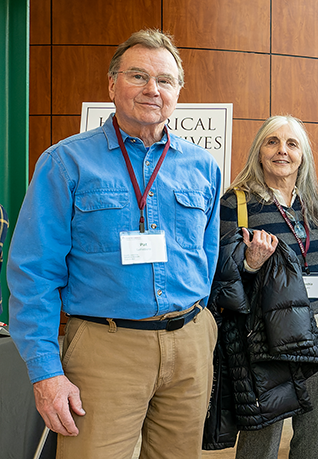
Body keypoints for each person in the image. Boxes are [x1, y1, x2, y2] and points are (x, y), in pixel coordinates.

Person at [6, 29, 221, 457]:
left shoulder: (203, 167)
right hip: (105, 349)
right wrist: (45, 371)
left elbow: (208, 255)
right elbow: (34, 273)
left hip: (190, 345)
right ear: (111, 85)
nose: (152, 89)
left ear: (179, 91)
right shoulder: (65, 162)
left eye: (165, 80)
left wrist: (202, 330)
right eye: (137, 75)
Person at [219, 115, 318, 459]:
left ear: (303, 155)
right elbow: (219, 267)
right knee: (263, 434)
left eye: (291, 143)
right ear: (259, 151)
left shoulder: (314, 204)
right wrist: (249, 263)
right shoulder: (237, 202)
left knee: (315, 433)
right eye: (272, 142)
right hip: (267, 334)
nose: (281, 150)